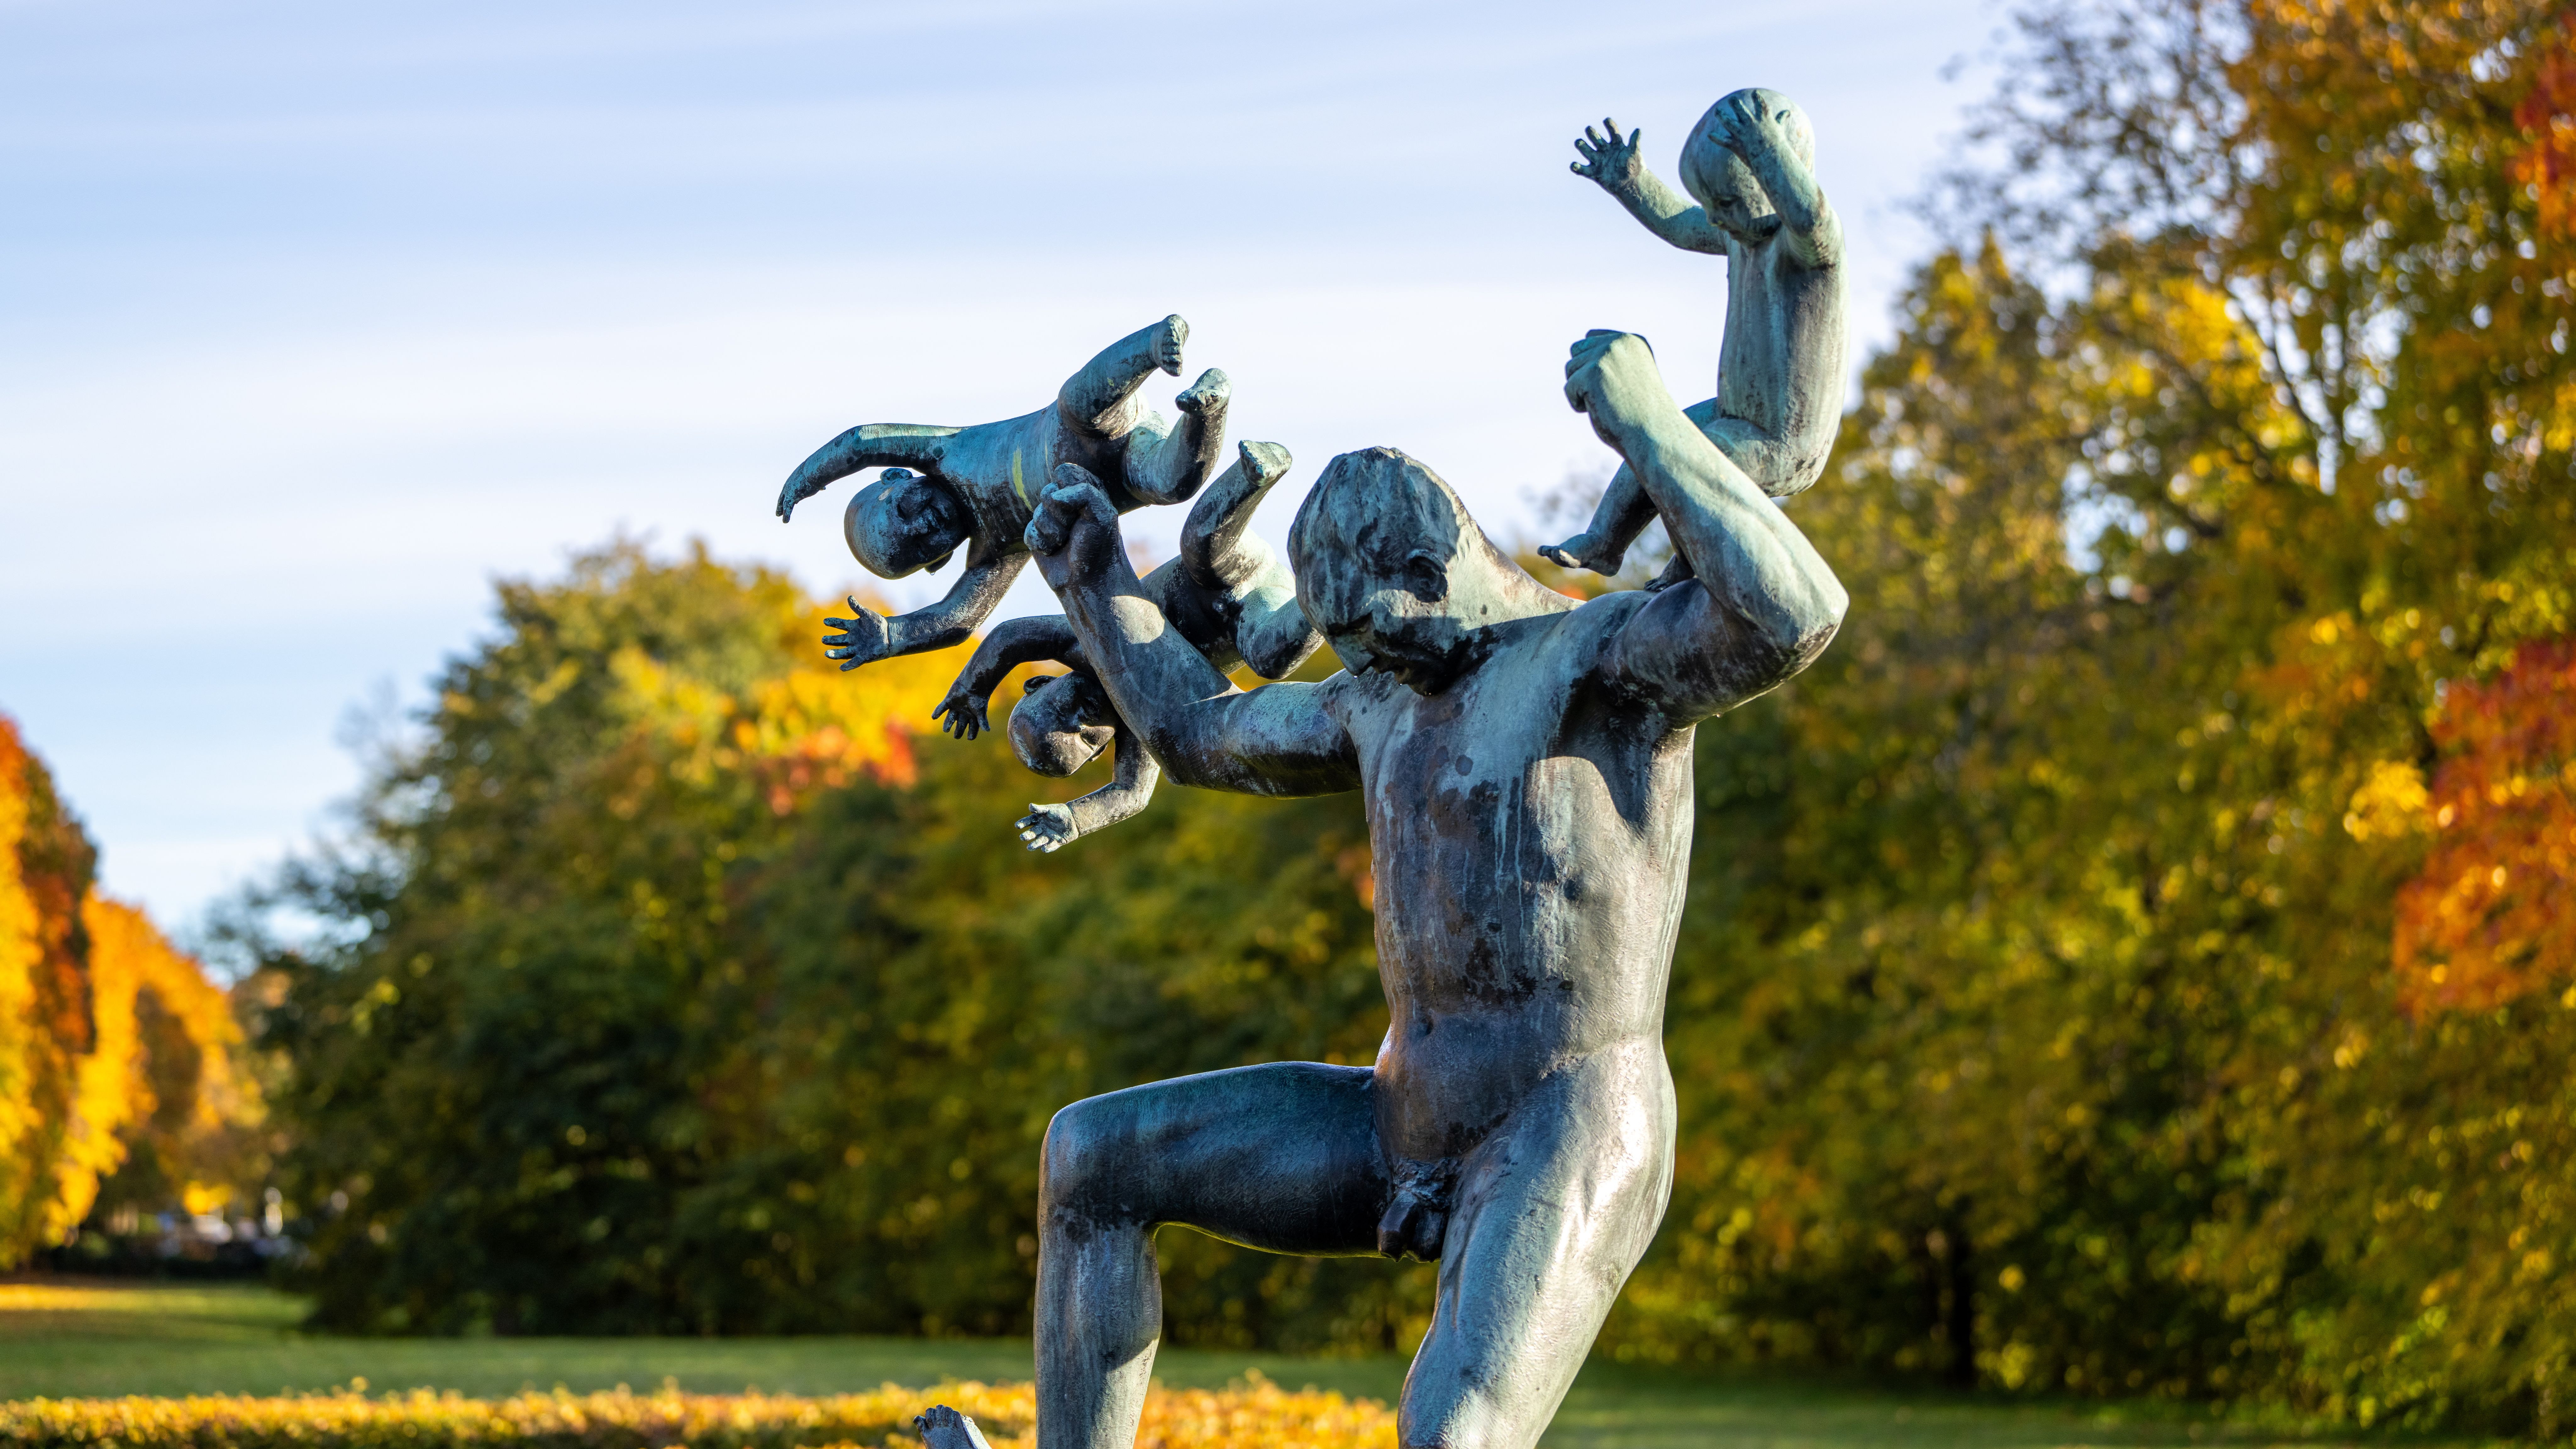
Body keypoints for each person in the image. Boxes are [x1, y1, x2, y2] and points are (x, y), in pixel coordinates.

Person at [918, 329, 1846, 1449]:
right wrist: (1096, 579)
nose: (1367, 669)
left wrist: (1646, 421)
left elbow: (1794, 615)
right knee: (1092, 1158)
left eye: (1378, 638)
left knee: (1450, 1433)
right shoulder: (1375, 699)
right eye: (1349, 649)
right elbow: (1203, 733)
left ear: (1430, 571)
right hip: (1397, 1114)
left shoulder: (1600, 660)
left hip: (1563, 1120)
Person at [771, 315, 1234, 669]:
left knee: (1080, 400)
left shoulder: (944, 451)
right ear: (939, 562)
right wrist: (893, 637)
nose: (923, 524)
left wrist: (809, 477)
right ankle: (1208, 410)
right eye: (920, 545)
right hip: (1123, 474)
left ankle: (1153, 345)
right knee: (1172, 483)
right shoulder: (997, 549)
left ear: (898, 478)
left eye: (905, 512)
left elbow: (862, 442)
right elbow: (958, 619)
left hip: (1075, 426)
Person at [924, 441, 1322, 851]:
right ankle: (1328, 587)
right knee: (1271, 659)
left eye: (1065, 709)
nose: (1084, 717)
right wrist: (1075, 819)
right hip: (1253, 615)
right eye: (1088, 738)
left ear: (1040, 684)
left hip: (1219, 573)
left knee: (1202, 542)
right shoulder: (1138, 725)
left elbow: (1011, 637)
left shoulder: (1081, 642)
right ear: (1101, 753)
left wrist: (972, 688)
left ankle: (1253, 476)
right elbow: (1131, 794)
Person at [1541, 89, 1848, 584]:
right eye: (1713, 204)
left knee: (1691, 465)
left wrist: (1769, 151)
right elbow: (1683, 227)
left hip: (1783, 440)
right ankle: (1605, 542)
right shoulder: (1740, 234)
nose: (1717, 217)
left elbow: (1810, 216)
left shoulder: (1810, 250)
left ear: (1775, 183)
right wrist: (1632, 183)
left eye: (1725, 202)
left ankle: (1688, 567)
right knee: (1658, 437)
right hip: (1735, 413)